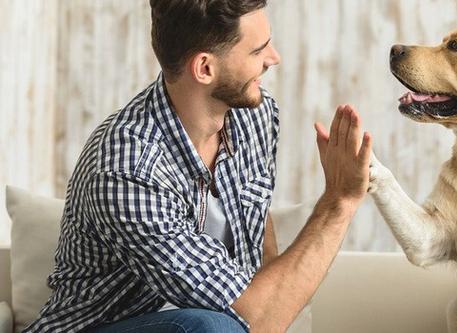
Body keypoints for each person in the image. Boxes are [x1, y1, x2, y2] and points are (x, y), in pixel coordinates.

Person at [24, 1, 371, 332]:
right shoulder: (127, 169)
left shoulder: (255, 116)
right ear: (205, 68)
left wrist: (274, 307)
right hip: (104, 326)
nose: (273, 58)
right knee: (210, 326)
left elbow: (260, 239)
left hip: (227, 322)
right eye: (257, 50)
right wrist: (339, 201)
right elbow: (257, 318)